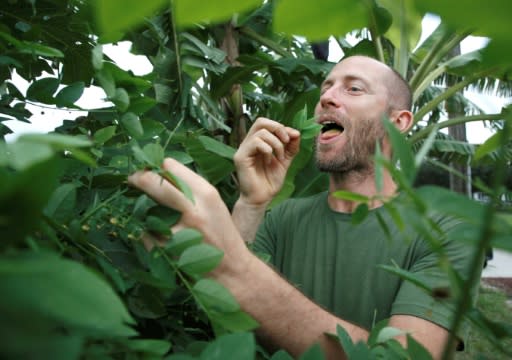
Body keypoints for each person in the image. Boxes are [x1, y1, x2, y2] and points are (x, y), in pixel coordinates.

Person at [128, 56, 477, 359]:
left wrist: (234, 268)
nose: (326, 97)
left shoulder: (447, 231)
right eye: (326, 87)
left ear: (398, 123)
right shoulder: (282, 218)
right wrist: (252, 202)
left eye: (353, 89)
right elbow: (224, 316)